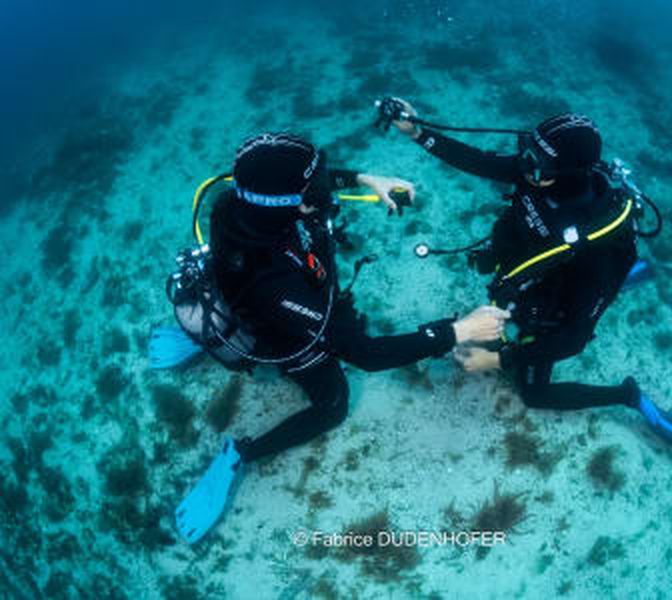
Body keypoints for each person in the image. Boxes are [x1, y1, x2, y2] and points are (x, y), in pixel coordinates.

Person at [172, 132, 509, 543]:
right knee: (332, 406)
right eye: (314, 189)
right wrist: (457, 331)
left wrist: (368, 178)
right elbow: (364, 354)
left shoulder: (236, 201)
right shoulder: (272, 283)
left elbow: (299, 189)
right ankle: (240, 454)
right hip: (290, 340)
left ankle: (210, 328)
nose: (323, 191)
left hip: (272, 295)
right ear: (291, 204)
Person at [388, 100, 672, 459]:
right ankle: (641, 275)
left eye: (534, 164)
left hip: (564, 294)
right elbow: (479, 161)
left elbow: (572, 340)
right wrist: (417, 132)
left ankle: (629, 396)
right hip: (527, 270)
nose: (523, 167)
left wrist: (498, 362)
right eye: (524, 153)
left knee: (535, 395)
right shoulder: (537, 171)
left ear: (569, 173)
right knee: (512, 306)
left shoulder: (598, 244)